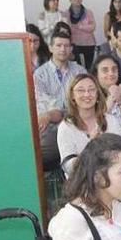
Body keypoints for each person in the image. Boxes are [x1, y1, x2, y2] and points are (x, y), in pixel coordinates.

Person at [33, 32, 88, 170]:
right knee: (36, 150)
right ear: (50, 48)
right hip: (51, 129)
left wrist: (58, 114)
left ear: (71, 49)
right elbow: (43, 108)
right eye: (58, 45)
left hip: (78, 123)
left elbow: (86, 100)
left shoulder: (80, 71)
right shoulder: (39, 74)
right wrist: (57, 114)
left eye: (66, 45)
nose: (63, 49)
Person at [57, 74, 121, 175]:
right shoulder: (65, 127)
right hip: (83, 184)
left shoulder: (111, 120)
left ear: (97, 95)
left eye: (92, 89)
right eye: (80, 90)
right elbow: (69, 168)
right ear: (72, 96)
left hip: (111, 179)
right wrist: (91, 146)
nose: (87, 94)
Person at [64, 0, 97, 69]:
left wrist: (80, 27)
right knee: (76, 68)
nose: (77, 0)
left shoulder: (88, 12)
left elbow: (92, 27)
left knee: (89, 68)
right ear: (70, 0)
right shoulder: (66, 13)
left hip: (89, 43)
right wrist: (85, 27)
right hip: (75, 44)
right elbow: (67, 29)